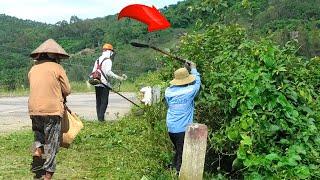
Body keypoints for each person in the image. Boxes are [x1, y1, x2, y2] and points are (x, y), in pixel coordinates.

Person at [28, 39, 71, 180]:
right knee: (52, 142)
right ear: (55, 56)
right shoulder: (57, 68)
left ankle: (37, 149)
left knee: (38, 134)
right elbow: (67, 90)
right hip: (51, 110)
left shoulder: (32, 69)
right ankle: (48, 175)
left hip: (34, 109)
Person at [164, 61, 201, 174]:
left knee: (178, 148)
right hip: (182, 129)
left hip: (171, 127)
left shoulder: (168, 92)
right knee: (182, 152)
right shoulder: (190, 91)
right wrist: (193, 68)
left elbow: (179, 87)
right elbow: (197, 83)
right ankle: (178, 172)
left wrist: (184, 70)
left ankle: (172, 166)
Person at [90, 43, 127, 121]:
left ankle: (100, 119)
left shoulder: (98, 59)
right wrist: (118, 77)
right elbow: (108, 72)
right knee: (104, 102)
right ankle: (101, 120)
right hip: (104, 84)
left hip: (96, 83)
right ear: (110, 51)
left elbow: (93, 72)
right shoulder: (108, 60)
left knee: (98, 102)